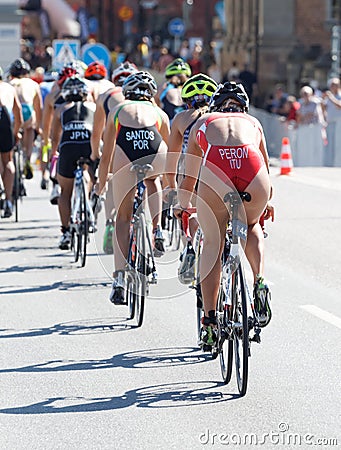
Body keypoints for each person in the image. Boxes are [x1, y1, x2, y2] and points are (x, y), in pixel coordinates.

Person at [175, 81, 274, 348]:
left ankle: (209, 322)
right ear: (244, 106)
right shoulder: (253, 123)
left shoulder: (204, 121)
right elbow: (266, 169)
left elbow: (189, 176)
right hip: (252, 172)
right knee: (252, 224)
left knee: (213, 241)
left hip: (217, 173)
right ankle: (260, 281)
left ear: (215, 105)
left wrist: (182, 203)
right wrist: (266, 202)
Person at [97, 71, 170, 304]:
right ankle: (158, 229)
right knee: (153, 180)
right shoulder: (159, 112)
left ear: (126, 93)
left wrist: (100, 186)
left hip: (126, 148)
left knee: (123, 218)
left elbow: (106, 154)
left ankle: (119, 278)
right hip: (153, 145)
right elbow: (172, 156)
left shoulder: (118, 111)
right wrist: (172, 188)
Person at [165, 73, 218, 283]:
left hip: (191, 174)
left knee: (186, 209)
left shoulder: (180, 118)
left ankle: (190, 244)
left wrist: (170, 186)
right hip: (219, 174)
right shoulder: (219, 117)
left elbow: (172, 158)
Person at [90, 61, 138, 254]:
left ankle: (110, 221)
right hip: (144, 142)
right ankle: (154, 227)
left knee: (112, 179)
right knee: (151, 179)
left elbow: (97, 132)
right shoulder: (146, 96)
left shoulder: (106, 95)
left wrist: (96, 154)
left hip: (119, 143)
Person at [50, 76, 96, 250]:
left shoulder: (61, 109)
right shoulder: (93, 106)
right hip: (88, 145)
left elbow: (55, 137)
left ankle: (66, 231)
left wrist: (53, 153)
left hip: (68, 147)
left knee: (65, 192)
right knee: (91, 176)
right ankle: (89, 205)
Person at [42, 62, 82, 201]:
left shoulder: (52, 96)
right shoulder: (85, 94)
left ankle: (56, 185)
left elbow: (46, 124)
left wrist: (46, 142)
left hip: (62, 135)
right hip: (83, 133)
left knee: (58, 158)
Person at [9, 58, 42, 180]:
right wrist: (38, 127)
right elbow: (39, 107)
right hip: (27, 109)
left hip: (13, 112)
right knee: (29, 129)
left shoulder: (9, 83)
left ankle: (11, 156)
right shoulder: (33, 84)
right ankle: (27, 158)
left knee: (12, 134)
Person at [0, 66, 23, 217]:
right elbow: (18, 113)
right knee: (8, 161)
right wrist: (15, 134)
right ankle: (8, 199)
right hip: (5, 120)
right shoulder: (9, 88)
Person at [156, 58, 192, 123]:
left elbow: (156, 110)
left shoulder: (163, 88)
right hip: (187, 126)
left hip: (169, 126)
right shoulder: (191, 89)